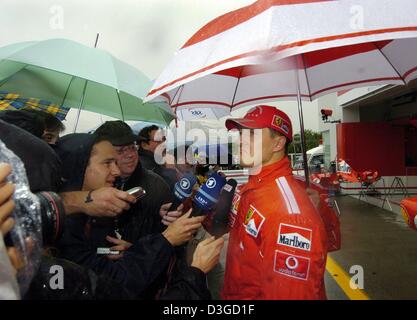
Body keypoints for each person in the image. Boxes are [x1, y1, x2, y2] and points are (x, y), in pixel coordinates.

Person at [56, 133, 219, 299]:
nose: (116, 170)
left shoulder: (95, 212)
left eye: (131, 148)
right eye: (107, 163)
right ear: (78, 166)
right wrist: (168, 240)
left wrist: (134, 250)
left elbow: (110, 265)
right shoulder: (61, 227)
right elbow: (113, 284)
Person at [221, 105, 328, 300]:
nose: (242, 140)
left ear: (278, 144)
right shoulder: (250, 189)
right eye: (242, 133)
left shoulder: (291, 216)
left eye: (252, 134)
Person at [137, 125, 178, 190]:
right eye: (158, 141)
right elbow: (165, 191)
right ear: (144, 145)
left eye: (164, 139)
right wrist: (170, 170)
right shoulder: (144, 165)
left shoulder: (155, 161)